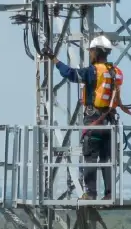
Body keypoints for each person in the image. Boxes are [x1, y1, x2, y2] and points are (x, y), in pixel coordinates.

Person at [52, 36, 123, 200]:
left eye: (91, 51)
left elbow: (70, 74)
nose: (89, 54)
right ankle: (110, 194)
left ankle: (91, 193)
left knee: (90, 156)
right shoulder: (114, 72)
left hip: (94, 121)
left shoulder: (93, 71)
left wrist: (55, 60)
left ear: (96, 52)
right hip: (110, 122)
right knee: (106, 159)